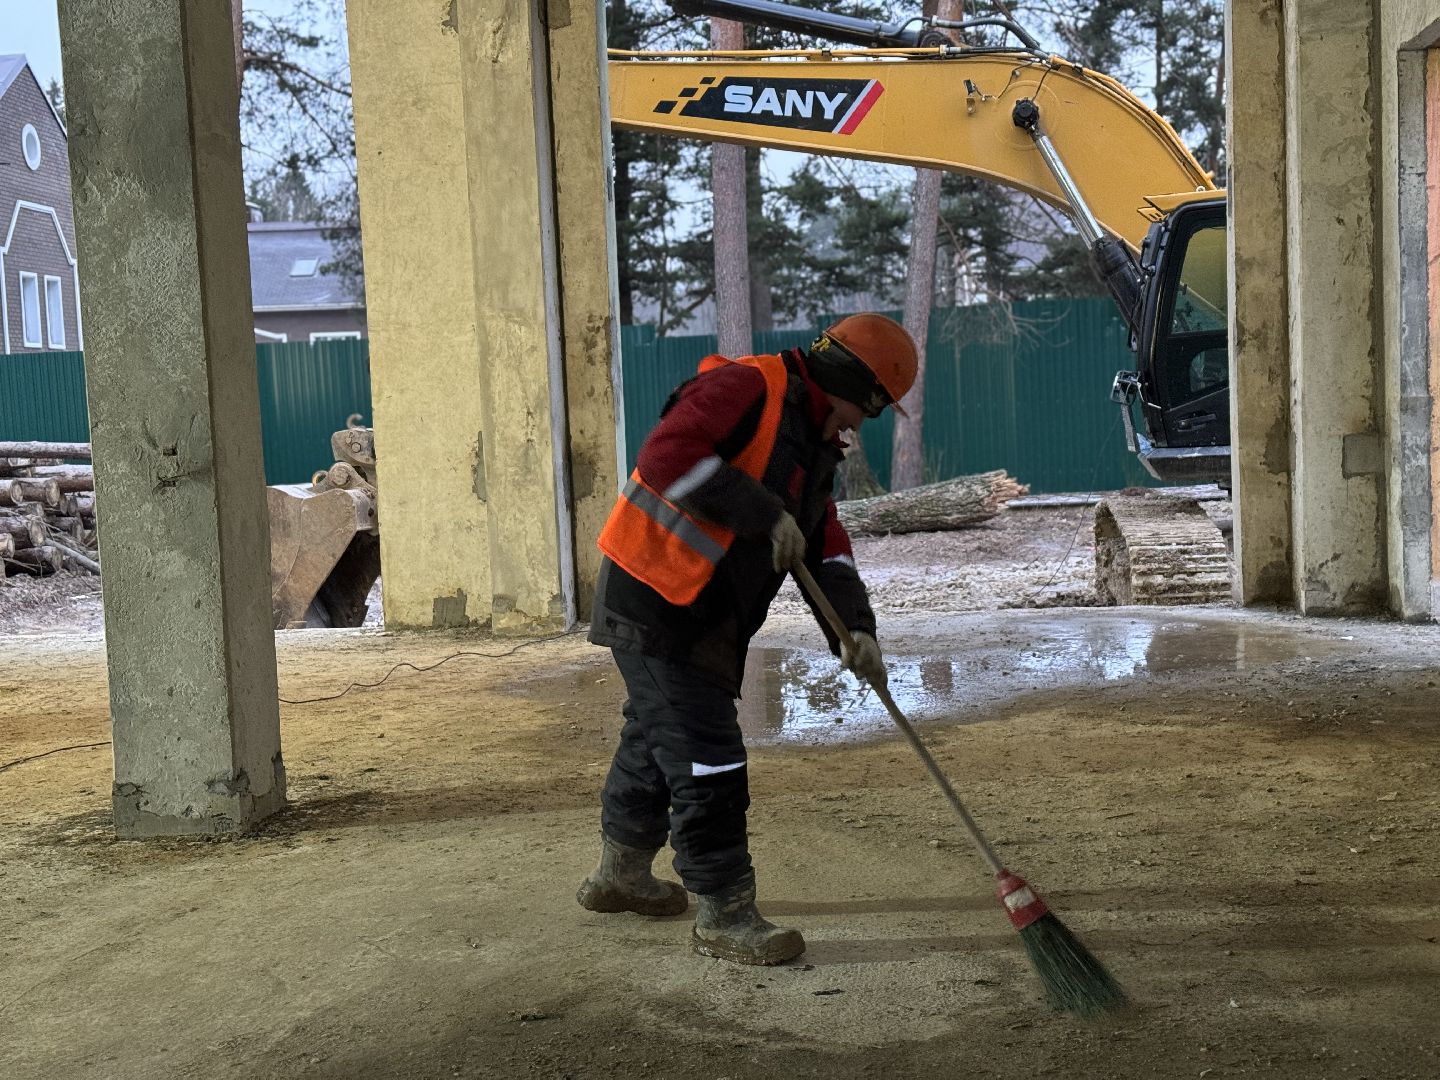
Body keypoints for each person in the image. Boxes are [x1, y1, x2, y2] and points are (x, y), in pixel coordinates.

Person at [577, 314, 919, 965]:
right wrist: (762, 513)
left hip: (705, 613)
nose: (856, 427)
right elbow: (666, 457)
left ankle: (619, 875)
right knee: (707, 754)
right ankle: (725, 912)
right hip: (656, 597)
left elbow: (824, 547)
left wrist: (856, 631)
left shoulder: (814, 440)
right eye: (863, 411)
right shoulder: (747, 389)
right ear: (848, 381)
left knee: (656, 738)